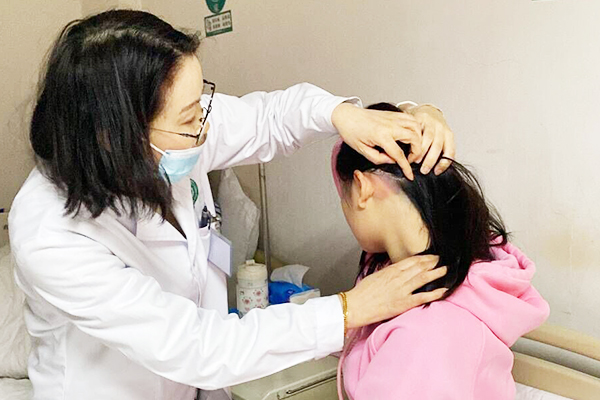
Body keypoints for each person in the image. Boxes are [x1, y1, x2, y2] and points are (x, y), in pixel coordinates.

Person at [8, 10, 455, 400]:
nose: (205, 127)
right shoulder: (50, 231)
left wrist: (351, 114)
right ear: (115, 136)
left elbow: (269, 118)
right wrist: (349, 309)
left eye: (201, 105)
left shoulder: (172, 132)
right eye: (189, 119)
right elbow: (195, 347)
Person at [331, 102, 550, 400]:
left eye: (342, 197)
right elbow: (342, 150)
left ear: (362, 187)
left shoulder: (427, 336)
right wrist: (422, 112)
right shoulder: (458, 257)